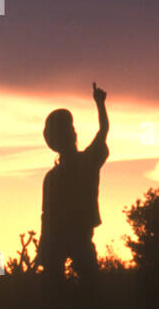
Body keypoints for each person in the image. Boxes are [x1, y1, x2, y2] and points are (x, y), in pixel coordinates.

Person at [37, 82, 109, 279]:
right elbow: (103, 131)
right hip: (77, 237)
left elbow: (47, 218)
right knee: (89, 283)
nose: (74, 132)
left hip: (62, 240)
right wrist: (100, 104)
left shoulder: (52, 177)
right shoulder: (87, 162)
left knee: (61, 286)